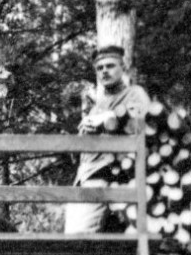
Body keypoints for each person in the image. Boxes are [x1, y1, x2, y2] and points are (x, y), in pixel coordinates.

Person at [64, 45, 150, 235]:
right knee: (71, 237)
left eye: (110, 66)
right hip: (86, 176)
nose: (104, 71)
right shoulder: (98, 105)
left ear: (123, 68)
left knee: (78, 238)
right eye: (100, 68)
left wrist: (108, 118)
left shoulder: (134, 93)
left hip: (106, 175)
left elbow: (143, 118)